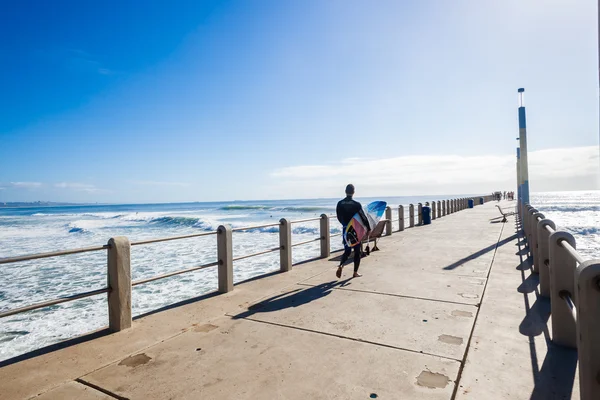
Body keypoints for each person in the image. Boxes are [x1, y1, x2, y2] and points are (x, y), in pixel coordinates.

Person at [336, 184, 370, 278]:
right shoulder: (356, 204)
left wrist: (344, 225)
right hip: (355, 230)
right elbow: (363, 217)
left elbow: (338, 216)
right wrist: (368, 228)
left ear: (345, 191)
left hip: (346, 229)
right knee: (357, 251)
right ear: (353, 192)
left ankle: (341, 265)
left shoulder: (340, 203)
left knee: (347, 250)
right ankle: (355, 272)